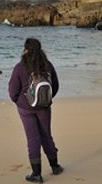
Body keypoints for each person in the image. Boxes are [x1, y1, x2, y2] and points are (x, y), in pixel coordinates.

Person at [8, 38, 64, 182]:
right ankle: (55, 166)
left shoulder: (20, 67)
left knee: (33, 139)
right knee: (47, 136)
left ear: (26, 50)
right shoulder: (47, 65)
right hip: (44, 107)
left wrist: (18, 102)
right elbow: (55, 86)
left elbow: (13, 90)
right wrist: (45, 100)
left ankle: (36, 174)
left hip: (25, 108)